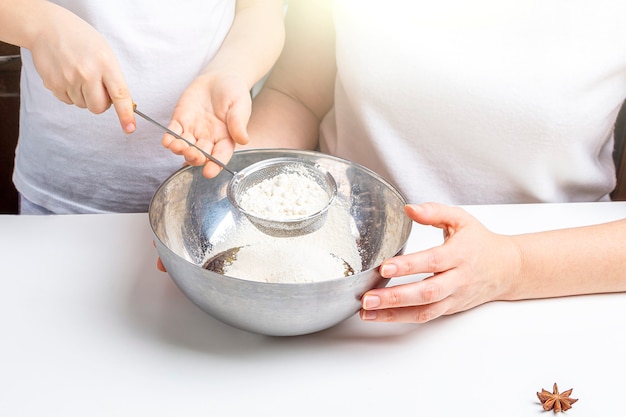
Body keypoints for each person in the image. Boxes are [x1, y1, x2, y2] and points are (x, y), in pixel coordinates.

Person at [173, 0, 626, 323]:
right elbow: (298, 96)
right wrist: (226, 194)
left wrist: (514, 266)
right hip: (339, 278)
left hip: (555, 295)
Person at [0, 0, 285, 213]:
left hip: (203, 200)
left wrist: (230, 71)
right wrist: (39, 25)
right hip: (57, 196)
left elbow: (260, 11)